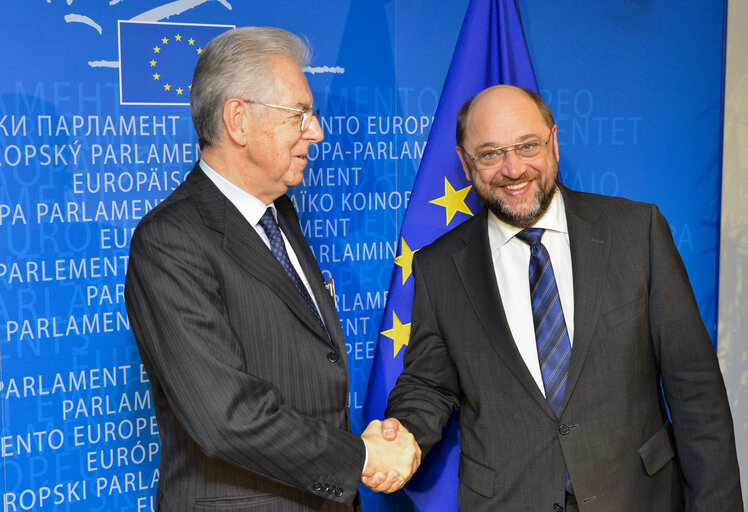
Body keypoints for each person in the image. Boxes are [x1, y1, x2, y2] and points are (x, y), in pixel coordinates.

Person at [383, 85, 743, 511]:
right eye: (490, 153)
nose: (513, 169)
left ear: (553, 143)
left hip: (636, 497)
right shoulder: (439, 268)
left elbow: (695, 390)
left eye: (527, 145)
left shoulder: (636, 232)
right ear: (465, 164)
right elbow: (429, 383)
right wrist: (401, 433)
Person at [125, 27, 419, 512]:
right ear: (238, 120)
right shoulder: (170, 240)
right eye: (299, 115)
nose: (316, 132)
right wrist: (362, 455)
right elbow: (226, 418)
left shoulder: (279, 212)